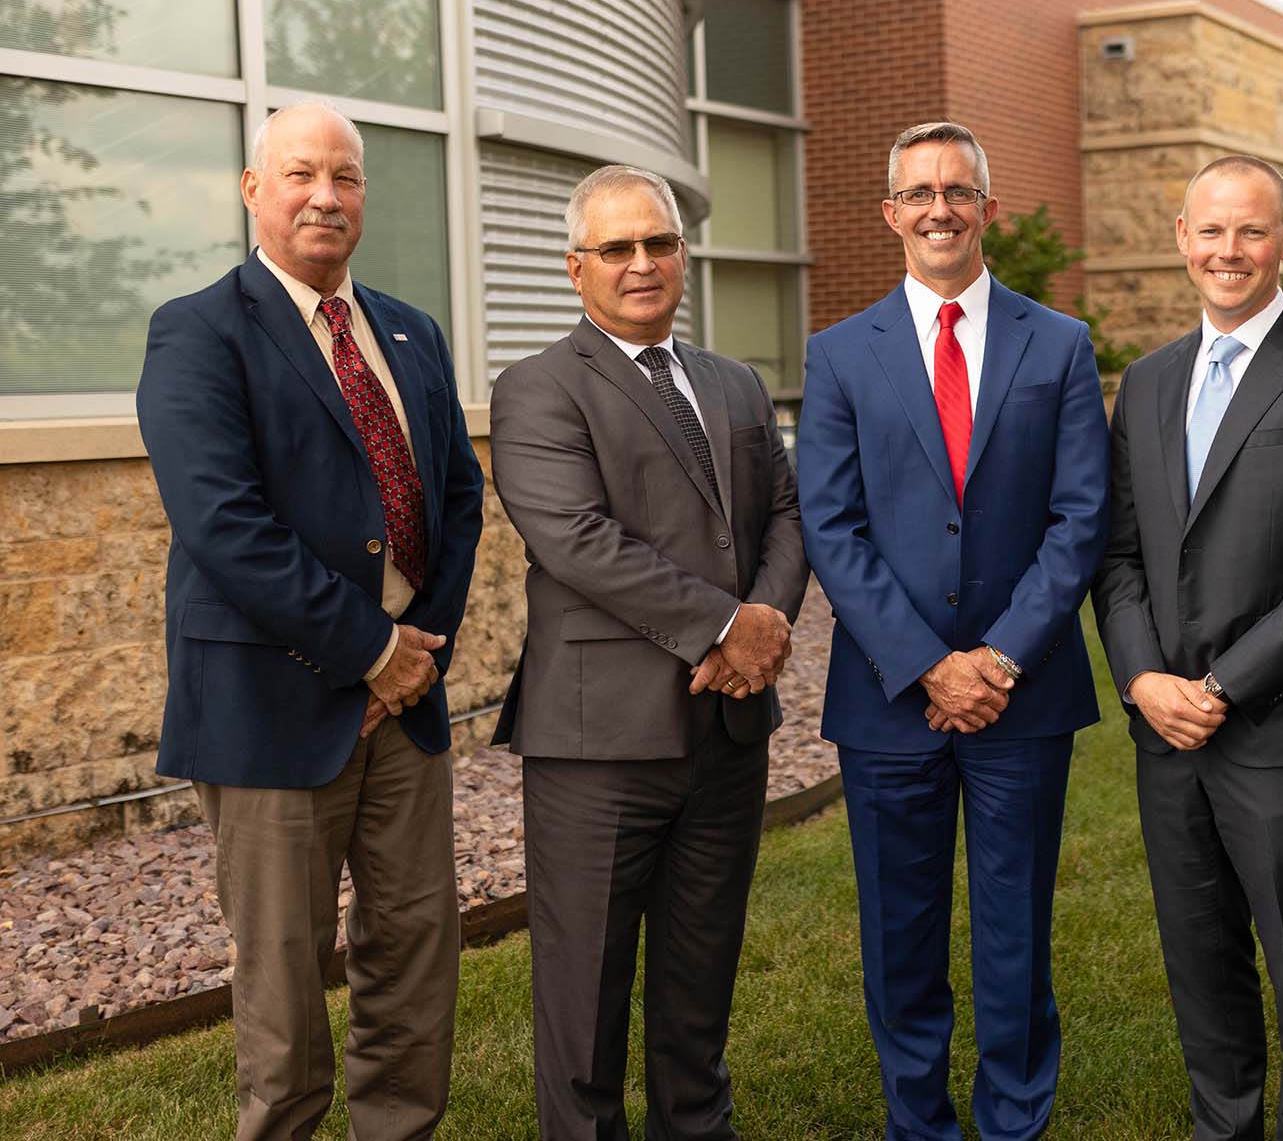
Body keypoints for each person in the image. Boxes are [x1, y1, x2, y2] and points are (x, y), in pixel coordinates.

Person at [135, 99, 485, 1141]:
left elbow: (458, 498)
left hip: (404, 711)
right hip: (269, 708)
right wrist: (371, 647)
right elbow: (222, 524)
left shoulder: (411, 330)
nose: (325, 194)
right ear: (254, 190)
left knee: (416, 961)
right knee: (285, 997)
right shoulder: (198, 330)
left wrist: (415, 654)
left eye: (346, 176)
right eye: (300, 173)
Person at [796, 120, 1108, 1141]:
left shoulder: (1057, 344)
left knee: (1017, 928)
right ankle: (917, 1121)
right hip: (890, 697)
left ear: (988, 207)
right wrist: (931, 662)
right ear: (891, 212)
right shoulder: (839, 354)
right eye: (920, 191)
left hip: (1025, 691)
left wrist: (999, 656)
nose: (940, 207)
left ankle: (1016, 1119)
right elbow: (831, 526)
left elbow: (1080, 518)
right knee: (901, 930)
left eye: (958, 189)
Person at [488, 164, 808, 1141]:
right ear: (575, 267)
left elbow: (787, 516)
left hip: (725, 731)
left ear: (682, 254)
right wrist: (729, 626)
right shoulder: (538, 388)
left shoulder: (734, 381)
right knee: (585, 1009)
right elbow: (579, 539)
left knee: (697, 991)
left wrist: (765, 617)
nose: (642, 264)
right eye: (617, 248)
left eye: (659, 243)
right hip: (600, 743)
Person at [1091, 155, 1283, 1141]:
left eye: (1252, 231)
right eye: (1211, 231)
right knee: (1199, 955)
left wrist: (1217, 687)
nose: (1230, 250)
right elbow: (1120, 553)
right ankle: (1222, 1125)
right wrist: (1144, 679)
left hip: (1281, 727)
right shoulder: (1145, 383)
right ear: (1183, 238)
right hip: (1165, 732)